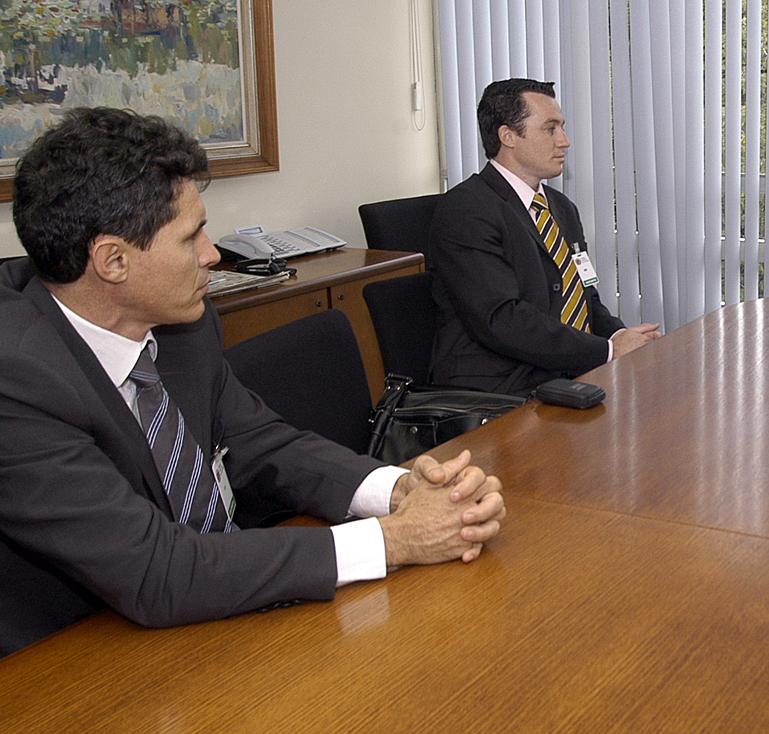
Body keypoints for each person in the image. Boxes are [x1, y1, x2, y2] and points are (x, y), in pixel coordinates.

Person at [0, 107, 507, 656]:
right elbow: (152, 571)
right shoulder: (17, 378)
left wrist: (398, 489)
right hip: (73, 657)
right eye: (191, 236)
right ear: (112, 261)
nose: (212, 254)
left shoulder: (181, 325)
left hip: (217, 612)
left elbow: (259, 443)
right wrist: (393, 541)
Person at [429, 78, 660, 395]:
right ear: (508, 136)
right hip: (499, 389)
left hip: (559, 373)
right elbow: (503, 320)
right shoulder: (466, 210)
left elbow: (585, 296)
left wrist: (622, 339)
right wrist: (608, 352)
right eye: (550, 128)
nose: (564, 140)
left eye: (561, 127)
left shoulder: (561, 208)